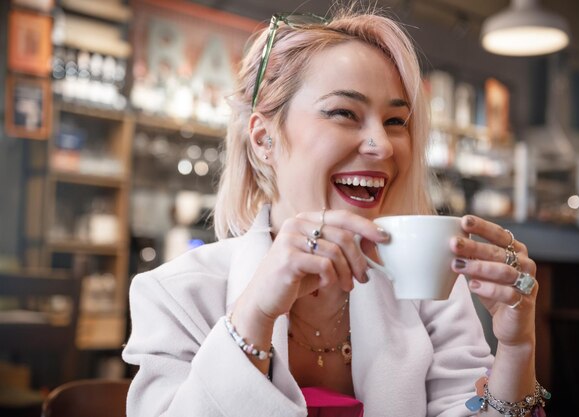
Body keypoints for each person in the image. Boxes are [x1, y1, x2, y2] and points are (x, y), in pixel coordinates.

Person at [122, 6, 547, 417]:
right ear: (264, 139)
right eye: (344, 113)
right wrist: (256, 311)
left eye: (396, 121)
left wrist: (516, 347)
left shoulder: (428, 287)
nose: (381, 145)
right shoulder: (176, 294)